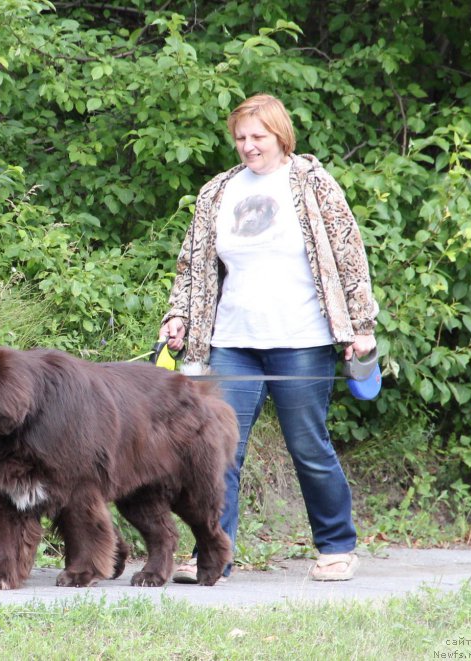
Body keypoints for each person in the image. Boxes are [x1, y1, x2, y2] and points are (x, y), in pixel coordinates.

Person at [160, 93, 378, 583]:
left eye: (257, 136)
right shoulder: (217, 191)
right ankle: (214, 553)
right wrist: (178, 316)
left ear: (280, 134)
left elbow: (348, 255)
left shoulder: (312, 184)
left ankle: (337, 546)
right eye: (240, 138)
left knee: (308, 445)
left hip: (300, 340)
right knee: (217, 451)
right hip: (232, 339)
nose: (248, 146)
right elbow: (192, 264)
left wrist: (360, 326)